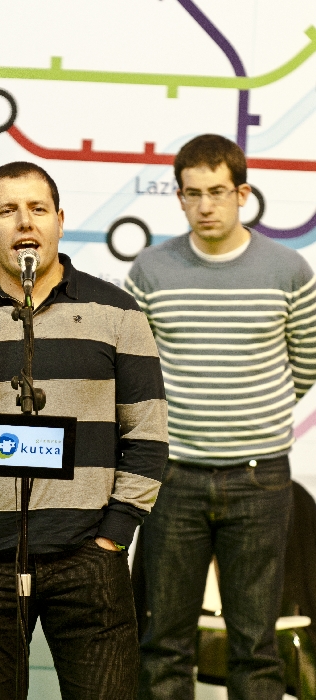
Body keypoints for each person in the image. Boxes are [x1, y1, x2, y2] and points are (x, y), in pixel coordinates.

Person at [0, 161, 169, 700]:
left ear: (60, 221)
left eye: (38, 209)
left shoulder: (117, 312)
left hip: (89, 558)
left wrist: (113, 536)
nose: (25, 221)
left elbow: (148, 436)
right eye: (8, 210)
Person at [126, 134, 316, 700]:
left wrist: (252, 415)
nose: (206, 205)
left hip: (260, 477)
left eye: (217, 191)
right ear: (179, 198)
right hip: (173, 477)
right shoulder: (150, 271)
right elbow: (134, 369)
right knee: (164, 645)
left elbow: (307, 361)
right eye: (193, 194)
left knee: (256, 647)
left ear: (242, 193)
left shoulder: (288, 270)